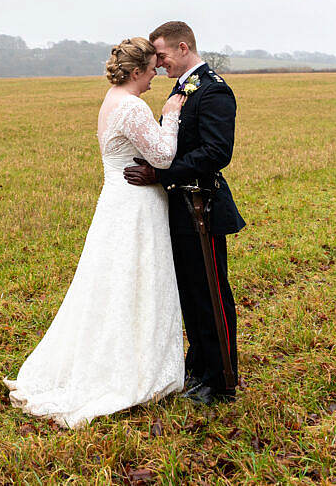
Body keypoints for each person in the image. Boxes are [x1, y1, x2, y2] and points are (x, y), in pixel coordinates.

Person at [3, 37, 187, 429]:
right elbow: (163, 157)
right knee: (135, 282)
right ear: (137, 72)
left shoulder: (111, 100)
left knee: (112, 283)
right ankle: (128, 371)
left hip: (117, 202)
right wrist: (170, 115)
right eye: (152, 68)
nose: (157, 73)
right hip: (135, 206)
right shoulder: (133, 106)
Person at [123, 21, 245, 405]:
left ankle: (222, 380)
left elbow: (215, 153)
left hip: (203, 206)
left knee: (211, 293)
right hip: (179, 206)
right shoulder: (181, 88)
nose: (157, 64)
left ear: (181, 47)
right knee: (190, 294)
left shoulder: (214, 91)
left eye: (160, 55)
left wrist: (160, 173)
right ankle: (200, 368)